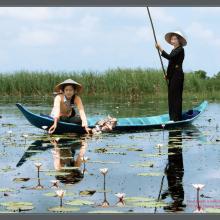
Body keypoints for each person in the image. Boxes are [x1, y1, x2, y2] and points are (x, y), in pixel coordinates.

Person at [155, 31, 187, 121]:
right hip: (173, 76)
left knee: (176, 97)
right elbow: (171, 65)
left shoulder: (180, 49)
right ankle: (172, 117)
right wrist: (168, 76)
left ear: (179, 41)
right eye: (171, 39)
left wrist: (160, 49)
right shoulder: (173, 50)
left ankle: (177, 118)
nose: (172, 40)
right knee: (171, 97)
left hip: (178, 76)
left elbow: (170, 58)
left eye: (174, 39)